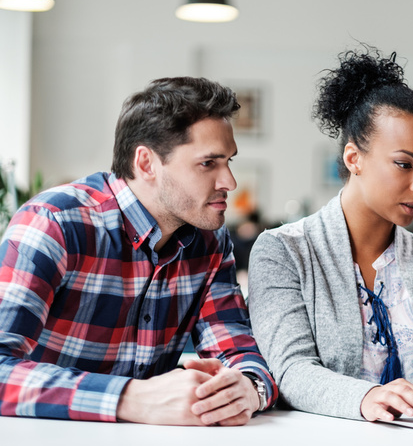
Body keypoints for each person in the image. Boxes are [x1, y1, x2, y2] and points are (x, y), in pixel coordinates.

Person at [0, 77, 277, 425]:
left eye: (229, 162)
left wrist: (248, 388)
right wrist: (131, 398)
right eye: (209, 163)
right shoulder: (54, 223)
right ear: (146, 163)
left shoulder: (210, 240)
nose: (230, 183)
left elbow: (237, 349)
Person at [247, 46, 413, 422]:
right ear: (354, 159)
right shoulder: (282, 251)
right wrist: (366, 397)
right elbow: (290, 370)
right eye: (404, 164)